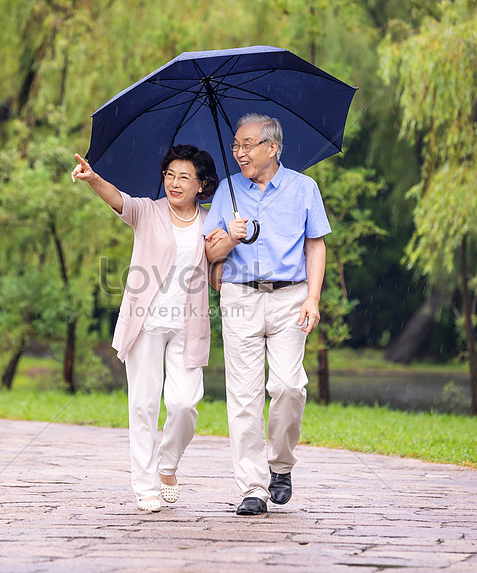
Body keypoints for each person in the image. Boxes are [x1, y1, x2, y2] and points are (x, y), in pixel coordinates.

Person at [72, 145, 220, 512]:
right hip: (147, 323)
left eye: (184, 177)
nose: (174, 182)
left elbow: (219, 268)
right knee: (143, 404)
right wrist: (93, 180)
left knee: (185, 404)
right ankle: (144, 483)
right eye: (169, 174)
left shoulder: (210, 221)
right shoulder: (148, 211)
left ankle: (167, 463)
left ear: (201, 184)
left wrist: (233, 234)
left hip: (189, 325)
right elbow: (118, 199)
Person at [203, 113, 330, 516]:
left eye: (248, 144)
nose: (239, 152)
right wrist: (230, 237)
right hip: (240, 295)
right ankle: (253, 488)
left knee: (290, 386)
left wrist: (313, 297)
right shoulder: (227, 190)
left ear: (271, 148)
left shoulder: (303, 187)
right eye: (236, 145)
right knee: (243, 397)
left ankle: (280, 464)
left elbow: (315, 246)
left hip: (290, 297)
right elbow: (209, 253)